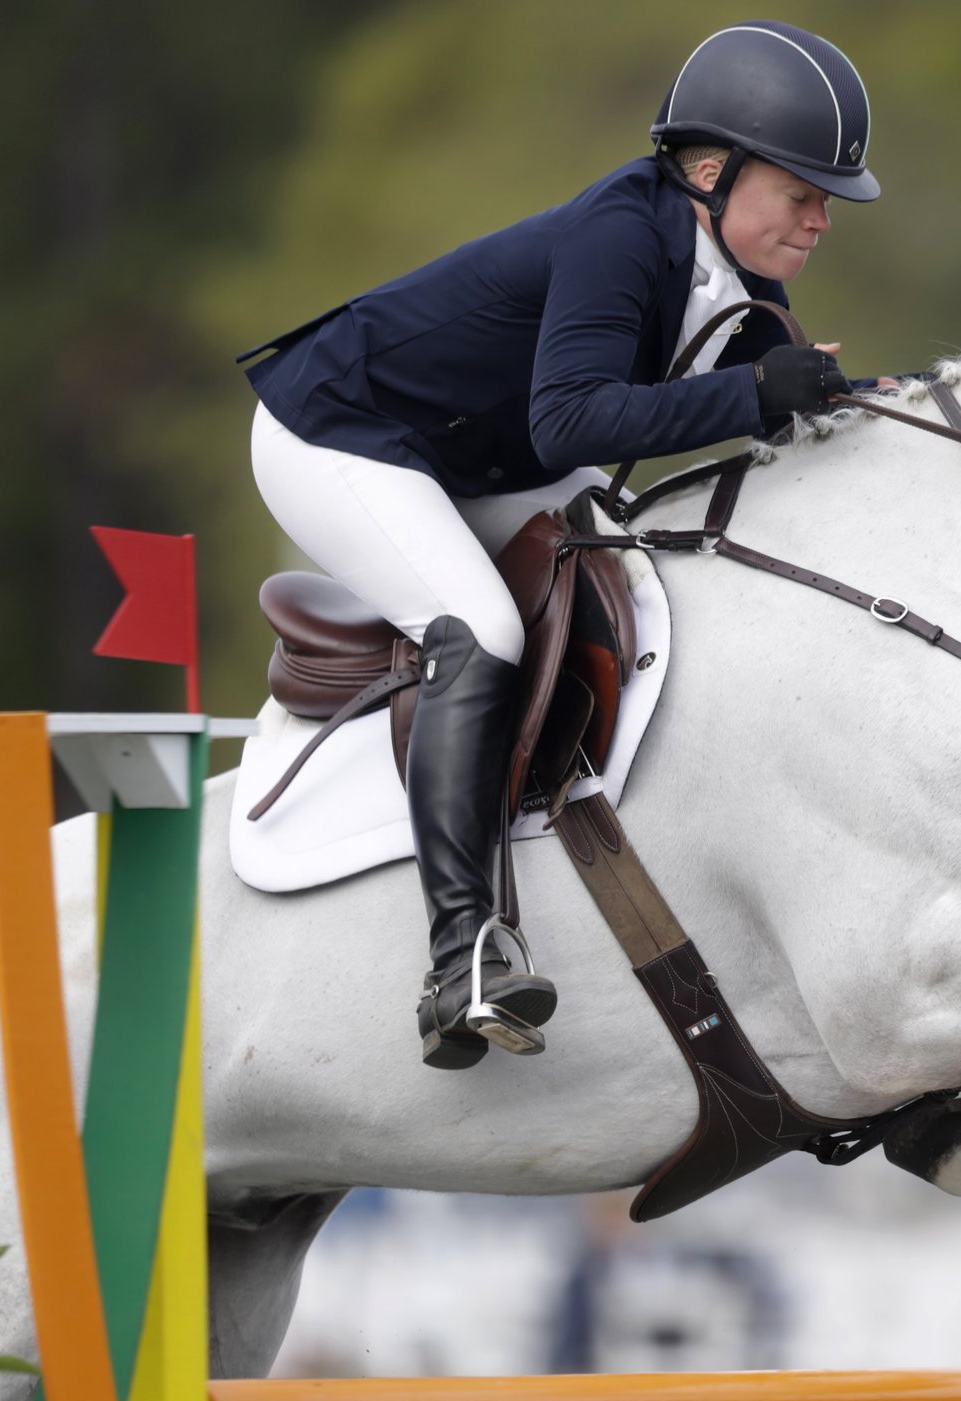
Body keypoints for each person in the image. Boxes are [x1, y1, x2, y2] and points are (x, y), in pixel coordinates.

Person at [238, 21, 879, 1070]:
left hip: (475, 459)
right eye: (801, 193)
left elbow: (775, 396)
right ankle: (462, 956)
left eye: (825, 202)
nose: (818, 220)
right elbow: (571, 426)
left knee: (652, 574)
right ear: (710, 173)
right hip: (342, 432)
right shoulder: (622, 235)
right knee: (479, 626)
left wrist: (849, 402)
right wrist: (759, 395)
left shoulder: (740, 281)